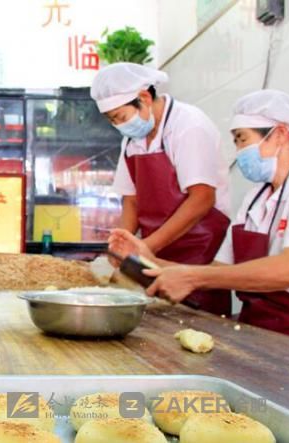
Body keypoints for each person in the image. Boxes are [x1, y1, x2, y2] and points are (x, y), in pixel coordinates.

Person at [110, 90, 289, 340]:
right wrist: (148, 260)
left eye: (242, 139)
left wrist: (192, 277)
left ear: (280, 134)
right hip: (259, 329)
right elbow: (220, 269)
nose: (239, 151)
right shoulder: (254, 200)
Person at [91, 63, 232, 315]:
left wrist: (147, 247)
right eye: (113, 121)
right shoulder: (131, 141)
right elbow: (131, 200)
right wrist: (121, 244)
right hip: (156, 251)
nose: (120, 126)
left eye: (121, 118)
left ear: (144, 97)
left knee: (199, 321)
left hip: (199, 250)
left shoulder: (189, 125)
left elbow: (202, 198)